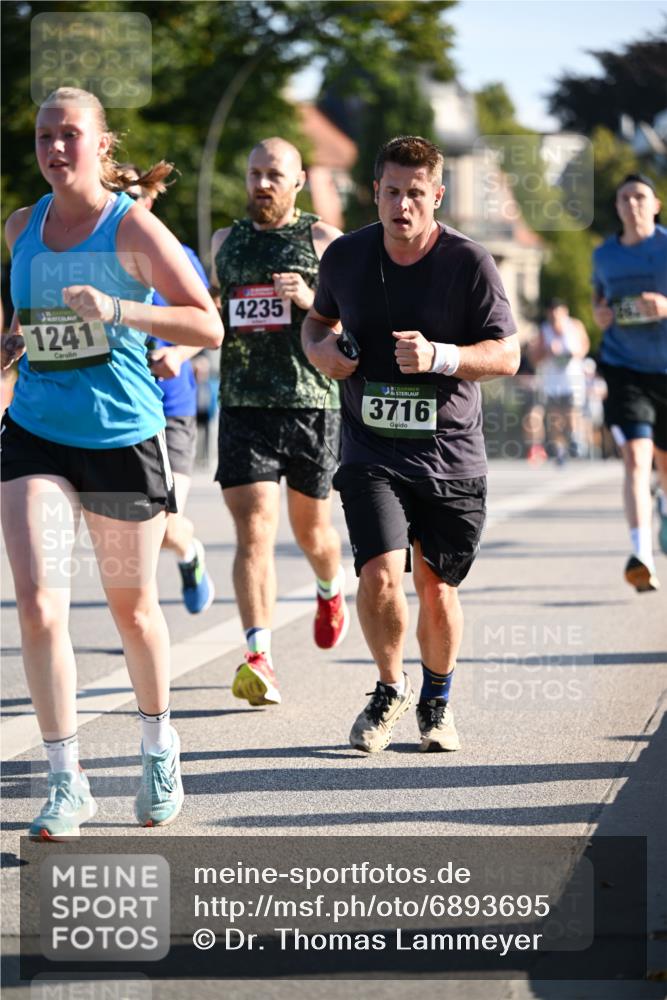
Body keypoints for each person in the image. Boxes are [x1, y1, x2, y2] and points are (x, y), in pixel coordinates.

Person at [1, 87, 223, 839]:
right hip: (35, 431)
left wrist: (122, 309)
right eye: (43, 137)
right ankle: (67, 781)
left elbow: (206, 322)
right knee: (38, 604)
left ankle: (160, 743)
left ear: (102, 146)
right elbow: (24, 329)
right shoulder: (21, 225)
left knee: (131, 610)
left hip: (123, 438)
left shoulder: (134, 229)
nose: (55, 149)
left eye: (70, 135)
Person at [302, 135, 520, 753]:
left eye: (415, 195)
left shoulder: (469, 263)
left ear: (438, 196)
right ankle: (389, 687)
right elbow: (317, 322)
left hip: (449, 452)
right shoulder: (345, 256)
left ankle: (438, 699)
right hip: (372, 449)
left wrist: (440, 356)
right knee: (377, 576)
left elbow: (507, 353)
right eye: (391, 192)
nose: (402, 206)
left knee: (435, 585)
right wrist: (321, 352)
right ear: (375, 191)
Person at [210, 137, 347, 707]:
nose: (262, 184)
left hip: (311, 403)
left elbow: (348, 325)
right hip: (243, 404)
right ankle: (258, 653)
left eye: (274, 175)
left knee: (312, 533)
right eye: (254, 173)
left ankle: (330, 587)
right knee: (255, 528)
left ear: (297, 183)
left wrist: (310, 297)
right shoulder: (225, 242)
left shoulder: (324, 242)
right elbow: (210, 309)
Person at [123, 163, 214, 614]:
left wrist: (177, 355)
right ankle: (139, 620)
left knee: (163, 523)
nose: (126, 205)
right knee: (127, 526)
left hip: (171, 410)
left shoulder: (175, 255)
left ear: (150, 200)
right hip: (122, 411)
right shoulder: (98, 260)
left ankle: (190, 553)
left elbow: (209, 327)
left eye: (135, 195)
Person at [592, 173, 667, 592]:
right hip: (624, 369)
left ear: (655, 205)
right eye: (625, 198)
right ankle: (641, 554)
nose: (633, 204)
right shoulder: (604, 255)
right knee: (637, 459)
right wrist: (600, 314)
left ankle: (664, 512)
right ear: (617, 207)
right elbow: (598, 301)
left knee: (664, 465)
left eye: (640, 197)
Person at [532, 299, 589, 464]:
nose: (555, 315)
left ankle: (574, 438)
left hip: (572, 380)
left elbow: (585, 346)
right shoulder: (544, 330)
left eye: (559, 311)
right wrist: (547, 351)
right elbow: (535, 357)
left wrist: (574, 353)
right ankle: (559, 450)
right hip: (552, 383)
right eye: (552, 311)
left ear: (565, 311)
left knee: (571, 412)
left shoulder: (575, 326)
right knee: (555, 417)